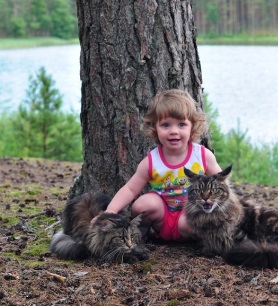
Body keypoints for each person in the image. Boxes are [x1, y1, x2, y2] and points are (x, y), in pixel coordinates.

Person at [91, 89, 222, 241]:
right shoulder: (152, 161)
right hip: (162, 220)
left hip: (192, 219)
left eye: (181, 125)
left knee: (188, 222)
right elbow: (130, 189)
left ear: (192, 126)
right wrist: (111, 211)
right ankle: (143, 235)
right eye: (166, 125)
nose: (174, 131)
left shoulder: (202, 156)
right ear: (155, 128)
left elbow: (222, 185)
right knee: (142, 205)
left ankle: (202, 240)